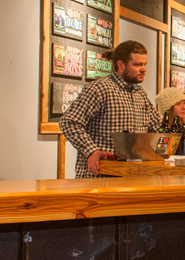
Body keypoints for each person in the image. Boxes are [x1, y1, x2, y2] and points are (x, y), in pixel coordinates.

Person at [60, 41, 159, 178]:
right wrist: (91, 151)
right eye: (137, 64)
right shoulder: (99, 89)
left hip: (131, 177)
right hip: (99, 176)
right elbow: (69, 122)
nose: (144, 69)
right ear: (121, 65)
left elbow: (157, 128)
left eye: (144, 64)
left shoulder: (140, 94)